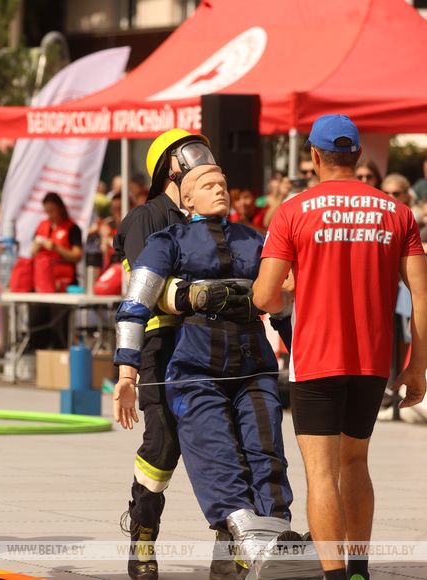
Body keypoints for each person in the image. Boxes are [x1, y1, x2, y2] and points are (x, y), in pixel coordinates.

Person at [115, 163, 323, 580]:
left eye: (223, 184)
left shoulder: (255, 240)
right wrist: (126, 374)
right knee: (215, 453)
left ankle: (277, 535)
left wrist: (307, 358)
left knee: (267, 452)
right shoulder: (165, 241)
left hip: (254, 366)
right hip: (194, 366)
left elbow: (282, 307)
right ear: (187, 198)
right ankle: (242, 536)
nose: (219, 190)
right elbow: (135, 306)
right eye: (207, 185)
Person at [253, 114, 427, 580]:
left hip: (316, 358)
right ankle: (358, 570)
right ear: (358, 155)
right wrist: (417, 366)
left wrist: (291, 293)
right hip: (371, 360)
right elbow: (422, 295)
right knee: (356, 462)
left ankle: (334, 575)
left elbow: (264, 296)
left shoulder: (293, 210)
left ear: (314, 155)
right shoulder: (397, 212)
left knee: (321, 474)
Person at [112, 129, 240, 580]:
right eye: (191, 152)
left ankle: (230, 544)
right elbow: (147, 287)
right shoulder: (145, 218)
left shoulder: (211, 216)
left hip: (213, 343)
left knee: (227, 444)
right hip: (161, 345)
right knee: (163, 444)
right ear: (170, 167)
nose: (203, 159)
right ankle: (143, 535)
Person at [27, 192, 83, 350]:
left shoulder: (72, 228)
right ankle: (38, 353)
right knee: (37, 322)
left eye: (52, 210)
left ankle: (60, 355)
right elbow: (32, 252)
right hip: (43, 285)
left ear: (60, 208)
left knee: (59, 327)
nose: (50, 215)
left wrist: (56, 248)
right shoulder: (42, 226)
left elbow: (77, 255)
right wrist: (37, 247)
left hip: (63, 285)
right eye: (47, 211)